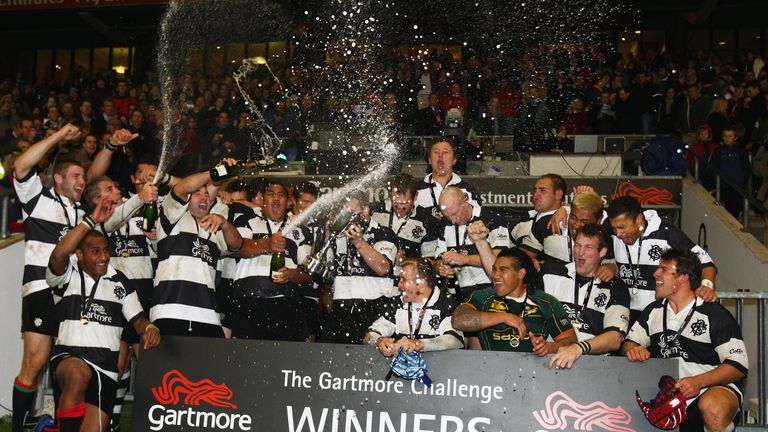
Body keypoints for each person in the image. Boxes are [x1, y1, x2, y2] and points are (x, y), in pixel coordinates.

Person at [10, 124, 140, 432]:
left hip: (73, 296)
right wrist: (57, 137)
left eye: (83, 177)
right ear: (58, 178)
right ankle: (17, 426)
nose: (83, 181)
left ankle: (58, 424)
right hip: (44, 288)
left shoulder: (81, 212)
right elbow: (20, 166)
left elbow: (94, 175)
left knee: (68, 365)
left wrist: (110, 145)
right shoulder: (38, 199)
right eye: (76, 177)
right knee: (36, 360)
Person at [45, 196, 160, 432]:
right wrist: (90, 220)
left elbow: (138, 320)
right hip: (70, 357)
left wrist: (150, 328)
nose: (103, 257)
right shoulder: (67, 276)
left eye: (106, 250)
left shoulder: (120, 281)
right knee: (78, 375)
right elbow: (58, 255)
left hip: (105, 368)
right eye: (95, 251)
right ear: (79, 254)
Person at [622, 249, 748, 432]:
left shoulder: (713, 313)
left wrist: (698, 382)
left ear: (683, 277)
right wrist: (633, 349)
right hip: (671, 393)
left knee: (713, 410)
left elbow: (738, 365)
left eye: (664, 269)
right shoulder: (653, 311)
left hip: (712, 386)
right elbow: (629, 342)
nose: (655, 273)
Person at [150, 161, 244, 337]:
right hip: (170, 312)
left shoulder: (213, 225)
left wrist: (224, 223)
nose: (204, 198)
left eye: (207, 195)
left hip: (208, 317)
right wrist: (217, 172)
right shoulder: (171, 216)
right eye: (197, 194)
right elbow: (180, 189)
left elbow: (236, 244)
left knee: (211, 366)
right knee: (171, 367)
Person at [607, 196, 717, 323]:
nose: (618, 234)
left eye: (622, 227)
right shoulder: (612, 234)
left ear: (638, 219)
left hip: (658, 317)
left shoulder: (668, 235)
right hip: (624, 315)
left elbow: (706, 262)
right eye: (614, 229)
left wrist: (706, 286)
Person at [230, 181, 315, 341]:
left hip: (287, 305)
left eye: (281, 195)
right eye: (271, 194)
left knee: (286, 360)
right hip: (250, 301)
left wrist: (290, 275)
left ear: (288, 202)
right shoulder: (246, 221)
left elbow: (308, 274)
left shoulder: (299, 230)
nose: (276, 199)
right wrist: (266, 244)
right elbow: (238, 247)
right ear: (262, 200)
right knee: (245, 360)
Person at [451, 246, 577, 353]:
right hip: (490, 374)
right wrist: (504, 317)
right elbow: (458, 320)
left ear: (520, 274)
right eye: (494, 269)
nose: (495, 275)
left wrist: (548, 347)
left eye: (503, 270)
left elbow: (571, 341)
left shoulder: (546, 302)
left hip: (533, 374)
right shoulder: (483, 297)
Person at [543, 224, 630, 369]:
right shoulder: (550, 273)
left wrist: (578, 348)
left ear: (602, 251)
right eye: (577, 245)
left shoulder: (615, 287)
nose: (580, 252)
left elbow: (615, 339)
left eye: (588, 247)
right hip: (550, 361)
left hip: (593, 367)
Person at [322, 191, 398, 344]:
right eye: (344, 214)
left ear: (366, 210)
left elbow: (383, 268)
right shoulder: (339, 235)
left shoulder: (383, 233)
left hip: (374, 308)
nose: (348, 219)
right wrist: (327, 235)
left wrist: (359, 242)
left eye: (352, 213)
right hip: (341, 310)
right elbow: (324, 271)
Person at [364, 258, 464, 355]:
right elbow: (369, 336)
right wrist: (379, 341)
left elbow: (455, 340)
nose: (399, 285)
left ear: (421, 283)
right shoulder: (397, 303)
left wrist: (418, 344)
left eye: (403, 280)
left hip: (439, 368)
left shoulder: (445, 303)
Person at [435, 186, 512, 300]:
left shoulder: (492, 218)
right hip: (457, 291)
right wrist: (440, 267)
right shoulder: (445, 224)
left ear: (465, 202)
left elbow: (500, 260)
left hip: (488, 289)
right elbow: (437, 258)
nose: (453, 220)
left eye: (455, 213)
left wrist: (465, 259)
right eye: (447, 216)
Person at [370, 173, 438, 278]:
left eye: (405, 202)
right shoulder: (375, 212)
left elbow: (430, 263)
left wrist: (406, 261)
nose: (399, 207)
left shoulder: (426, 220)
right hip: (375, 280)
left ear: (416, 196)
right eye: (395, 202)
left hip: (405, 283)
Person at [413, 139, 479, 221]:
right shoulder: (416, 190)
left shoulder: (468, 191)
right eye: (436, 152)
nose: (440, 155)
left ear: (454, 160)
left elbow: (477, 220)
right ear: (429, 159)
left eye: (445, 152)